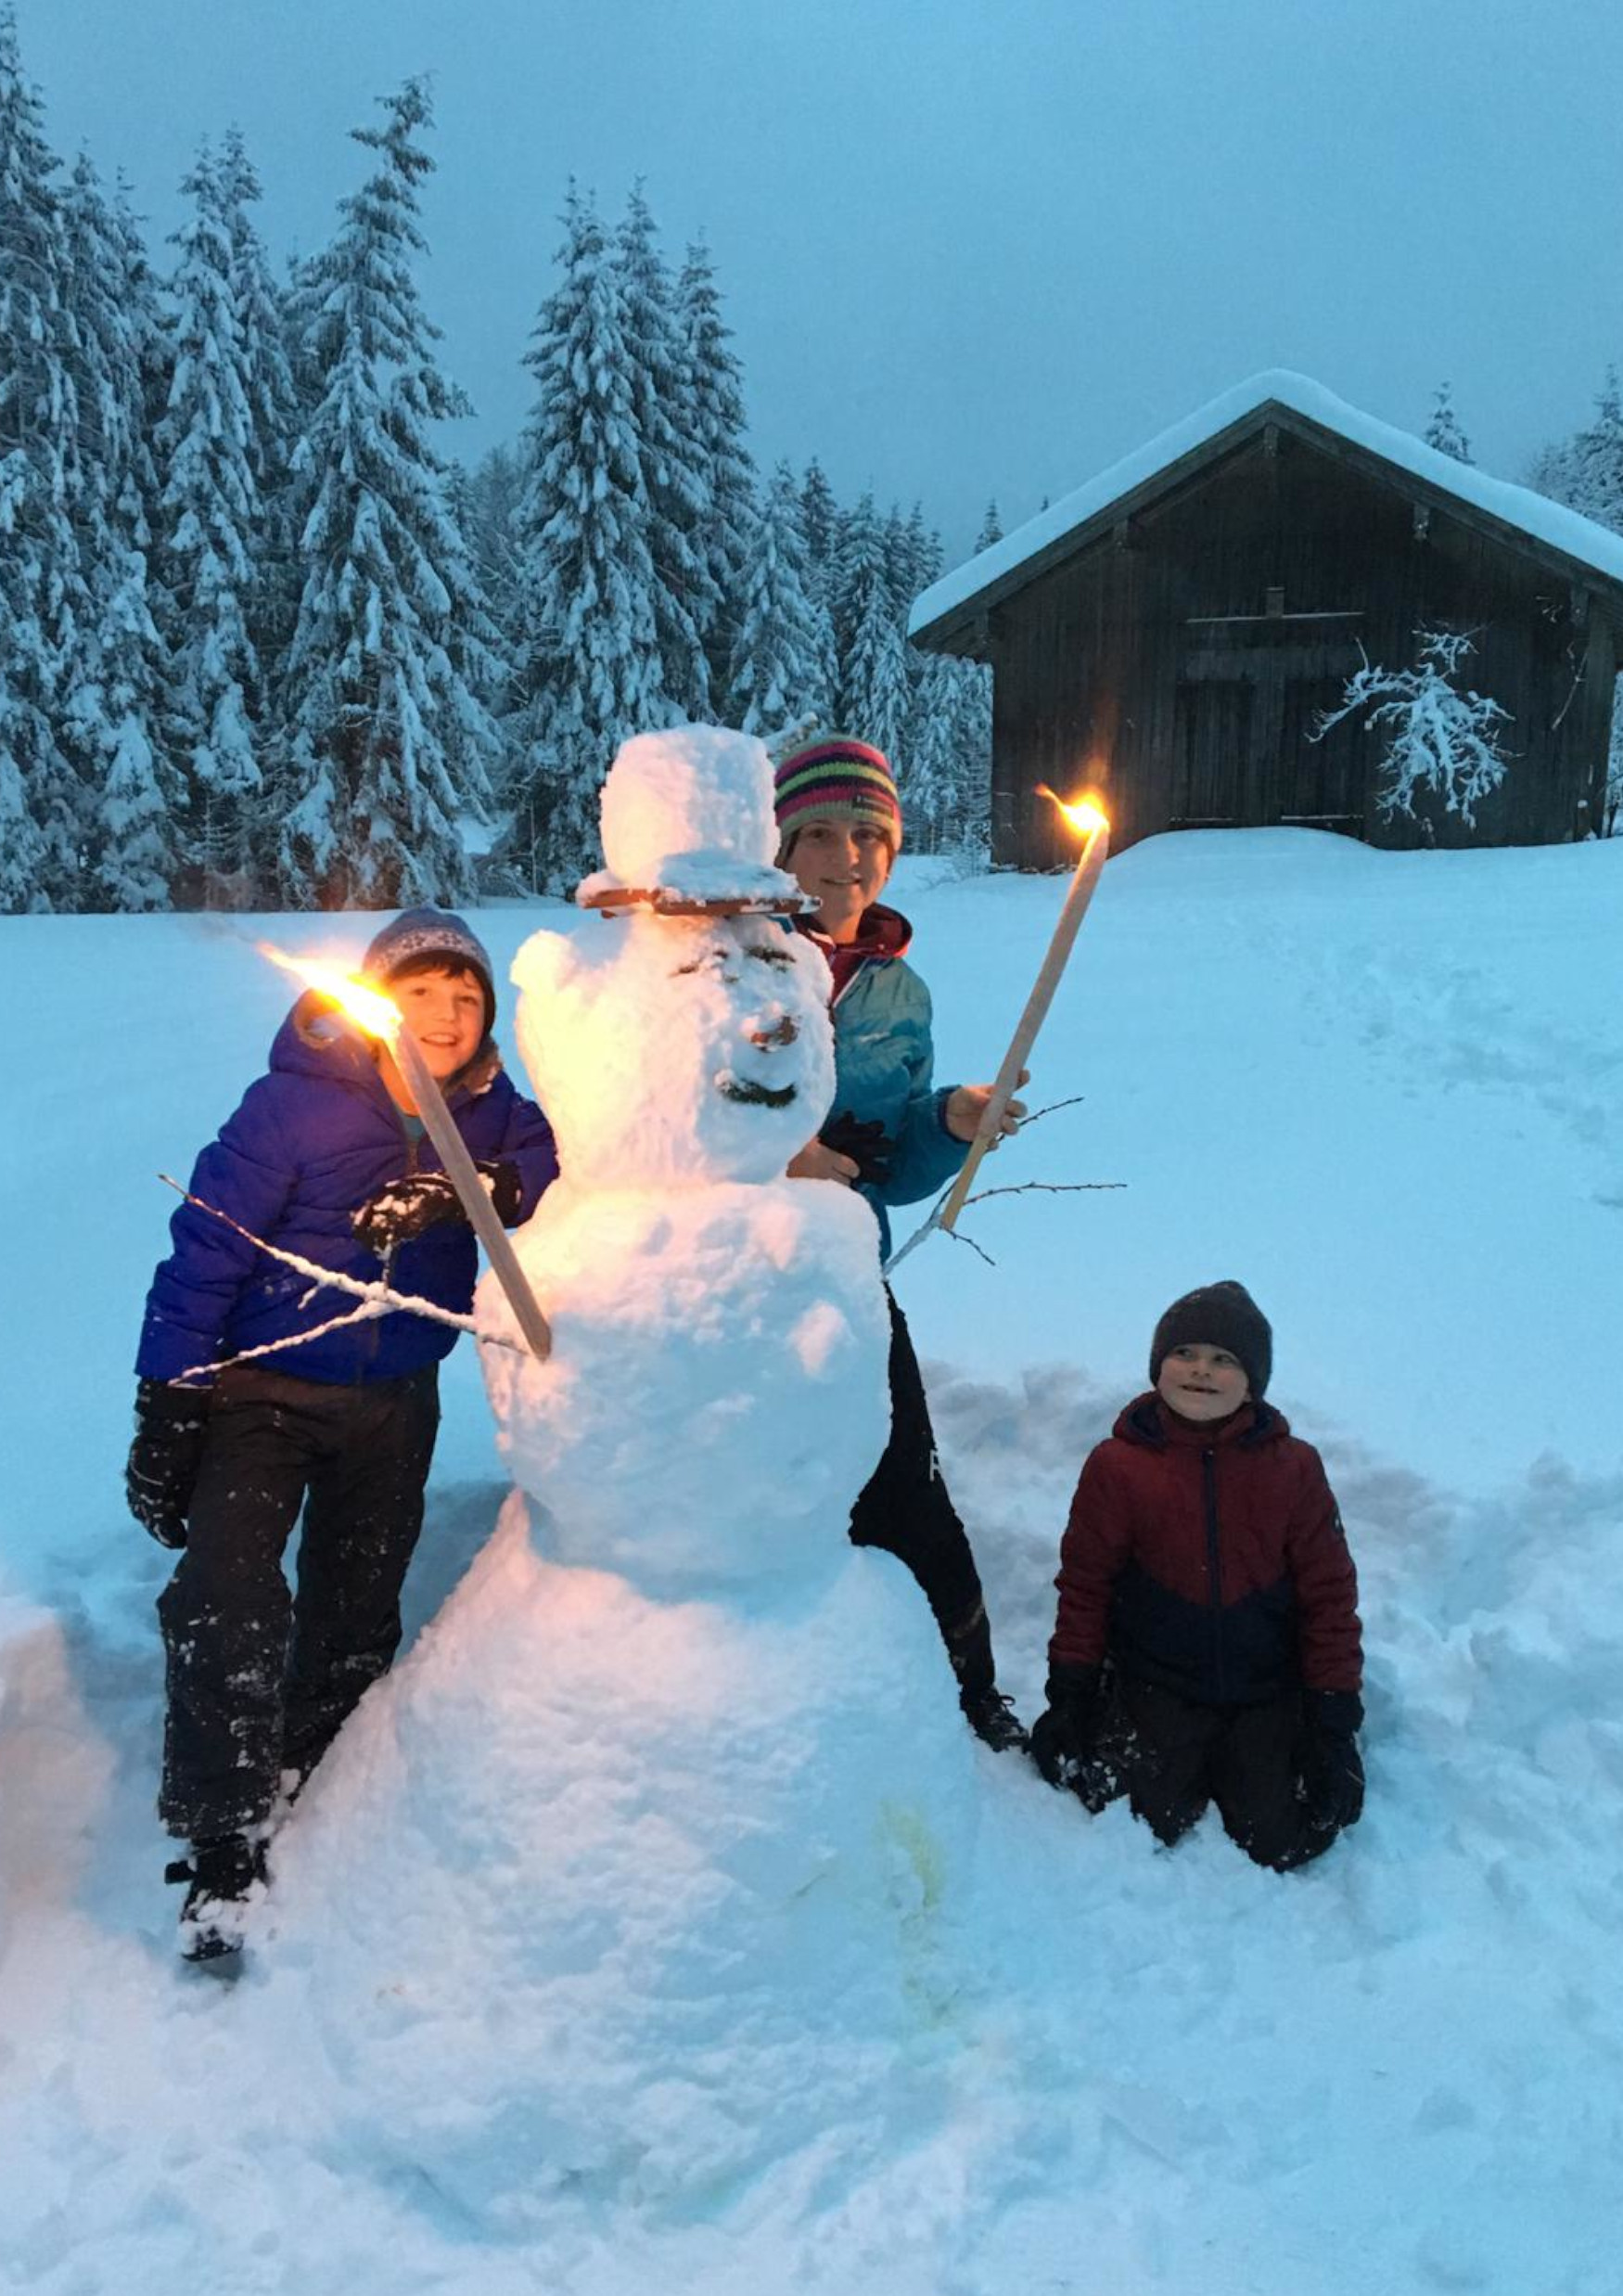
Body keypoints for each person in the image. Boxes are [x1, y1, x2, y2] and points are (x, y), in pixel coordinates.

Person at [127, 906, 559, 1961]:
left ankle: (317, 1769)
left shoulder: (495, 1116)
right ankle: (223, 1835)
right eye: (421, 995)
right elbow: (204, 1257)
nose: (447, 1016)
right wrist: (169, 1401)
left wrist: (477, 1190)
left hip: (397, 1397)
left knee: (356, 1601)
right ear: (375, 1002)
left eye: (466, 999)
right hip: (262, 1392)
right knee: (227, 1590)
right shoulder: (292, 1107)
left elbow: (558, 1168)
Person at [773, 734, 1029, 1751]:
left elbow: (893, 1160)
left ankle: (968, 1692)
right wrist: (775, 1162)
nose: (847, 857)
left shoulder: (897, 990)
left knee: (908, 1490)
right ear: (779, 850)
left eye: (870, 835)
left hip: (847, 1275)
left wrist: (949, 1124)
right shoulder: (727, 961)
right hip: (730, 1290)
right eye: (820, 835)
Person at [1029, 1281, 1365, 1868]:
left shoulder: (1294, 1468)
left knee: (1281, 1838)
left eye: (1224, 1359)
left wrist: (1334, 1722)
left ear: (1252, 1380)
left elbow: (1329, 1598)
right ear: (1158, 1365)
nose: (1201, 1371)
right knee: (1131, 1814)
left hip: (1265, 1688)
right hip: (1160, 1682)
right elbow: (1086, 1586)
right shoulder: (1119, 1465)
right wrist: (1070, 1696)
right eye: (1184, 1353)